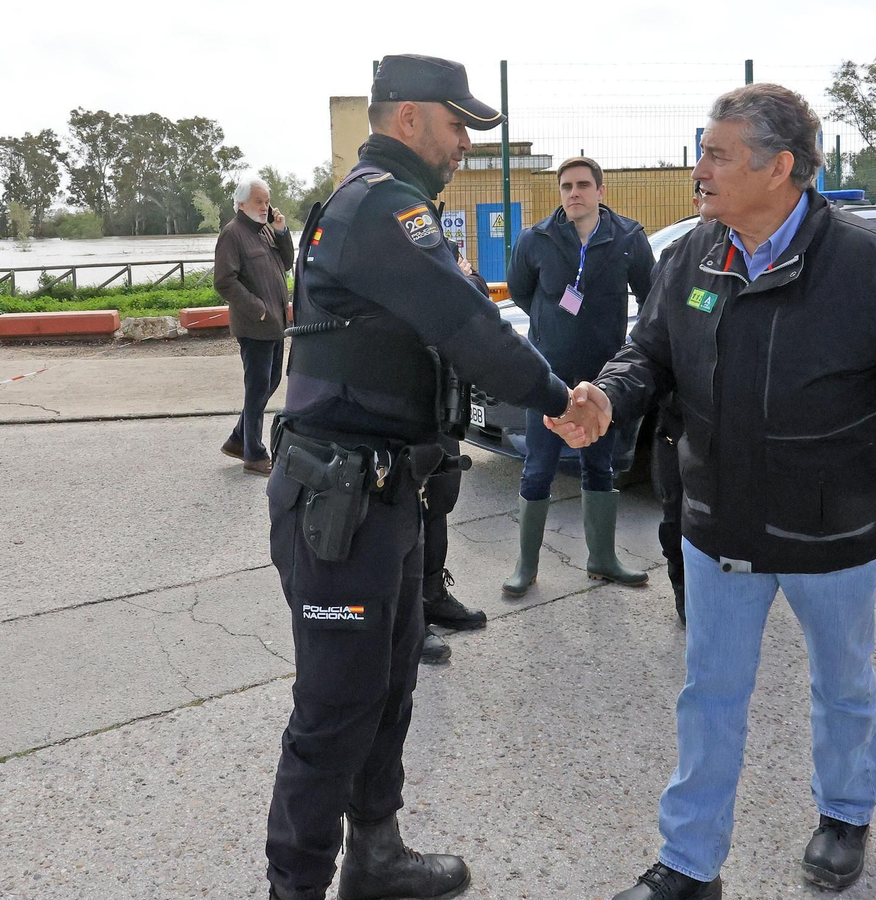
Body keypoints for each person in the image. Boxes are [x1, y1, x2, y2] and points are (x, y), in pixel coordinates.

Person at [549, 83, 876, 897]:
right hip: (718, 524)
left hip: (837, 533)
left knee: (843, 684)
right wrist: (607, 396)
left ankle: (845, 814)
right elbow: (647, 350)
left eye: (718, 153)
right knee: (709, 692)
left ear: (780, 166)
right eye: (703, 151)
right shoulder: (694, 255)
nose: (700, 168)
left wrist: (866, 465)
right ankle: (689, 864)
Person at [262, 54, 578, 900]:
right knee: (333, 712)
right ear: (407, 119)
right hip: (341, 503)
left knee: (389, 685)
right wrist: (559, 399)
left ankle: (375, 856)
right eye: (455, 125)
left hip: (384, 496)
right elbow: (470, 326)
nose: (463, 143)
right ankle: (293, 888)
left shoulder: (387, 205)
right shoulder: (382, 208)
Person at [501, 155, 656, 597]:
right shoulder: (536, 239)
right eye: (566, 186)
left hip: (604, 382)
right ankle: (525, 568)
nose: (573, 193)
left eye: (583, 185)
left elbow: (651, 299)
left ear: (600, 191)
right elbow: (521, 291)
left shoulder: (629, 238)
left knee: (599, 466)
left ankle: (602, 560)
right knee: (537, 470)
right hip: (548, 381)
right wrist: (553, 332)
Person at [417, 241, 491, 666]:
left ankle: (432, 596)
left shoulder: (431, 231)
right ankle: (409, 617)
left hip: (441, 397)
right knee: (407, 512)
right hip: (400, 400)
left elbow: (476, 296)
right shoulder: (384, 229)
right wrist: (457, 277)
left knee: (441, 498)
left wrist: (464, 277)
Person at [651, 184, 713, 627]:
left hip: (732, 428)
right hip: (678, 420)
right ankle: (683, 593)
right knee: (675, 513)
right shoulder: (677, 256)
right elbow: (653, 340)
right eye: (703, 197)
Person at [214, 176, 294, 475]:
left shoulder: (266, 231)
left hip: (275, 323)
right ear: (241, 204)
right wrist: (258, 309)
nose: (265, 206)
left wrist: (282, 231)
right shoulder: (232, 234)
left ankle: (238, 440)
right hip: (255, 325)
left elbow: (286, 263)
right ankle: (254, 455)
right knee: (257, 388)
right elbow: (224, 281)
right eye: (259, 201)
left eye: (267, 201)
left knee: (269, 384)